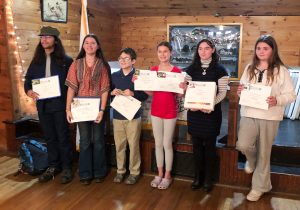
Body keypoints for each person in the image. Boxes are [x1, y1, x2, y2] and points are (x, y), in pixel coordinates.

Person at [236, 35, 296, 201]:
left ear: (272, 50)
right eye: (259, 48)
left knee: (264, 152)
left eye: (265, 48)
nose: (261, 51)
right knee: (243, 144)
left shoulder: (281, 70)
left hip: (270, 116)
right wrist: (240, 91)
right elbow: (242, 87)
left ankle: (259, 187)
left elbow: (291, 95)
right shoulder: (249, 67)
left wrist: (277, 100)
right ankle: (252, 161)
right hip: (249, 113)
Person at [24, 26, 74, 184]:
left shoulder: (66, 61)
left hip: (59, 106)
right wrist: (29, 91)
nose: (44, 40)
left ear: (55, 40)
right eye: (42, 37)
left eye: (48, 37)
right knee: (50, 137)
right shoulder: (36, 60)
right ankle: (53, 165)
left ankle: (66, 167)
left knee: (62, 137)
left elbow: (71, 85)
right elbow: (28, 80)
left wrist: (69, 105)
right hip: (43, 106)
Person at [65, 34, 111, 185]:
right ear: (83, 46)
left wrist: (102, 110)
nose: (90, 45)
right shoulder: (76, 64)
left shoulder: (102, 65)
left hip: (97, 108)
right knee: (84, 141)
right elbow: (71, 88)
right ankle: (85, 173)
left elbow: (105, 89)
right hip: (80, 108)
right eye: (87, 43)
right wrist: (68, 109)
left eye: (93, 43)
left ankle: (99, 172)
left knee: (98, 140)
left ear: (97, 46)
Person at [184, 38, 229, 192]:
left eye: (206, 48)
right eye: (200, 49)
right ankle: (197, 178)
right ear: (197, 51)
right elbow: (186, 91)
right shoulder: (190, 70)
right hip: (195, 114)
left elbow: (223, 93)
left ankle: (208, 179)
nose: (203, 51)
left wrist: (210, 105)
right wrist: (192, 105)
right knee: (196, 147)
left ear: (213, 50)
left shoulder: (220, 70)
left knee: (210, 147)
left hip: (211, 114)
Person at [143, 41, 182, 190]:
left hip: (170, 111)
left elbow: (178, 95)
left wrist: (182, 89)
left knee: (167, 144)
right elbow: (152, 92)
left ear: (171, 53)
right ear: (157, 53)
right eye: (160, 51)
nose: (163, 54)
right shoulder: (153, 70)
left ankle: (167, 175)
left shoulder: (177, 71)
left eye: (165, 51)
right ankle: (159, 173)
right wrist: (140, 84)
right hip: (156, 110)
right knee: (158, 143)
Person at [111, 48, 148, 185]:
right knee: (119, 145)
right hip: (117, 116)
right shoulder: (114, 75)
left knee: (133, 145)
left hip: (133, 116)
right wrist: (112, 92)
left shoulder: (138, 75)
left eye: (126, 58)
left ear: (133, 61)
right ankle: (120, 171)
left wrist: (133, 93)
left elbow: (144, 96)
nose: (122, 61)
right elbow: (108, 92)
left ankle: (134, 172)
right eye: (120, 58)